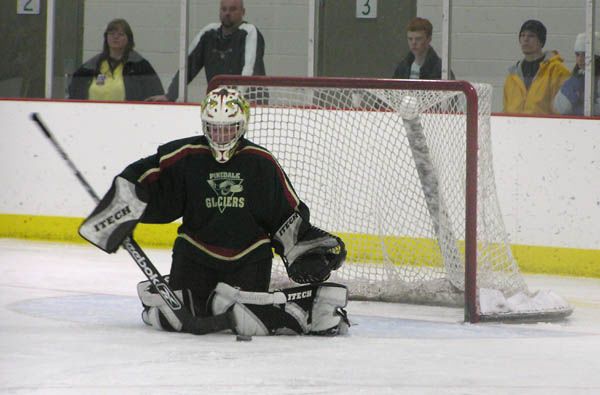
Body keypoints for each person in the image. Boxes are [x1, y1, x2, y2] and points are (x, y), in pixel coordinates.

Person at [78, 88, 349, 336]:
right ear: (204, 126)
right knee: (176, 315)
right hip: (195, 253)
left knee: (243, 317)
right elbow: (142, 177)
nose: (221, 137)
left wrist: (303, 248)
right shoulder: (185, 154)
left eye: (228, 129)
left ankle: (296, 311)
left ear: (241, 127)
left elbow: (285, 215)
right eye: (214, 129)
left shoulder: (260, 163)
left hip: (249, 257)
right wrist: (120, 208)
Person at [147, 0, 266, 102]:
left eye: (233, 9)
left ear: (243, 12)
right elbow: (188, 65)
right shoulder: (209, 33)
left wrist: (238, 98)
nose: (227, 13)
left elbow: (249, 68)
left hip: (250, 103)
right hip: (218, 102)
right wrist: (170, 95)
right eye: (224, 9)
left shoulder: (249, 32)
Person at [68, 19, 164, 101]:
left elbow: (154, 95)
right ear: (106, 38)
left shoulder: (140, 66)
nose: (115, 37)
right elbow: (75, 93)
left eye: (121, 34)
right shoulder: (91, 66)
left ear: (128, 39)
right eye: (111, 34)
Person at [503, 19, 570, 114]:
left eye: (531, 36)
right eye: (522, 35)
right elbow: (506, 109)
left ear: (541, 41)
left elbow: (561, 109)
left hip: (545, 127)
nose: (525, 39)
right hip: (514, 127)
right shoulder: (512, 76)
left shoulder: (557, 71)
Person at [553, 32, 600, 115]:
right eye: (577, 54)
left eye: (585, 55)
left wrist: (581, 108)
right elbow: (560, 108)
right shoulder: (574, 79)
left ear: (596, 57)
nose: (580, 59)